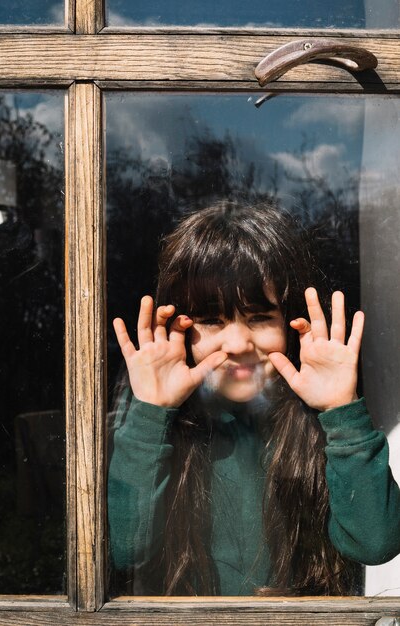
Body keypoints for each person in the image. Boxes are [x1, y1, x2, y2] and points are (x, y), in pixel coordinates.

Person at [107, 201, 400, 596]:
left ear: (290, 322)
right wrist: (151, 414)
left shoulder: (317, 420)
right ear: (179, 325)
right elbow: (129, 549)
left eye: (260, 318)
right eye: (212, 320)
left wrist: (340, 413)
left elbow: (376, 542)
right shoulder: (159, 422)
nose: (238, 343)